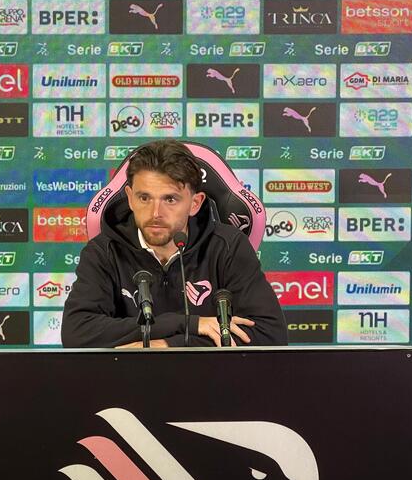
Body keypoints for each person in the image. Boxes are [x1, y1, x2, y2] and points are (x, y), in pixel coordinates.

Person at [61, 140, 287, 348]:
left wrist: (167, 345)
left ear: (195, 203)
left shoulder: (228, 246)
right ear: (129, 198)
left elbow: (270, 334)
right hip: (131, 377)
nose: (155, 213)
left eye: (170, 199)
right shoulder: (104, 251)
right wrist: (185, 324)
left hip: (209, 377)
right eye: (144, 198)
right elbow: (76, 332)